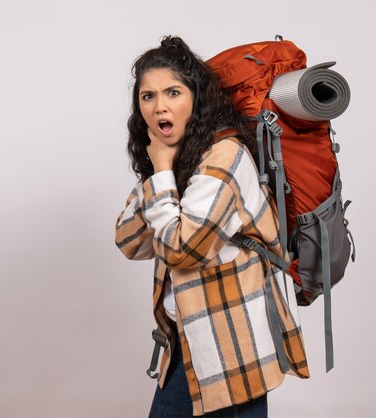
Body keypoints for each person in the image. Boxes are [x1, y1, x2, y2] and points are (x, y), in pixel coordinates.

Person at [115, 36, 310, 418]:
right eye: (148, 96)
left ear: (196, 98)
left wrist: (161, 173)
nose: (160, 107)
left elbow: (181, 249)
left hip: (232, 348)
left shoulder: (225, 156)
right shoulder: (176, 159)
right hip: (187, 343)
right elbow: (127, 240)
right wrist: (162, 171)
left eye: (173, 92)